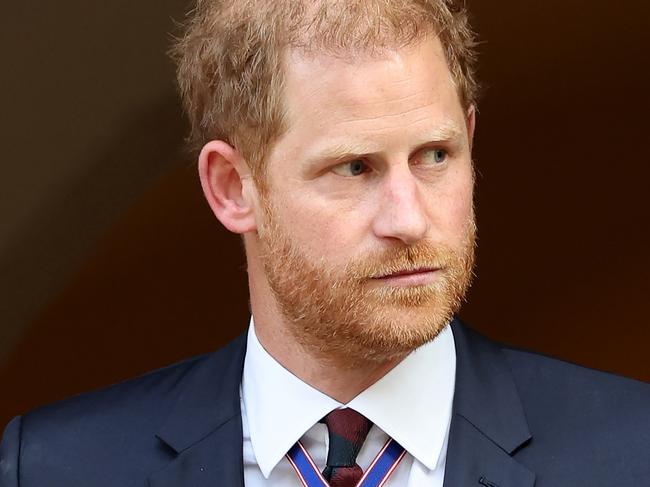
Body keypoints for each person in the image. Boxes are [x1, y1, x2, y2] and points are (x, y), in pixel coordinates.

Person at [1, 1, 649, 486]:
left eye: (435, 154)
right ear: (232, 187)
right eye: (355, 167)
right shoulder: (58, 467)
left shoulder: (632, 449)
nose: (409, 217)